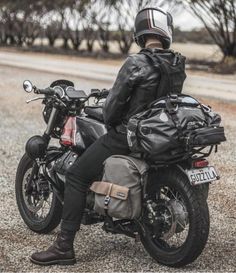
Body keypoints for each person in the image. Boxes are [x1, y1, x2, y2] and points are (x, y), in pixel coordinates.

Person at [30, 7, 185, 266]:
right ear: (165, 31)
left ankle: (64, 246)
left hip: (128, 135)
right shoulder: (176, 63)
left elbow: (112, 109)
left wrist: (111, 119)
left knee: (77, 175)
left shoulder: (136, 62)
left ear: (140, 32)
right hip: (160, 132)